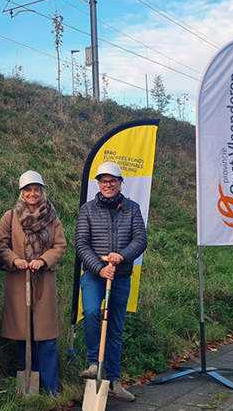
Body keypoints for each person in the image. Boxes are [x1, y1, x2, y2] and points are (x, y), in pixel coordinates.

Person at [74, 161, 147, 402]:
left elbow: (140, 240)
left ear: (120, 183)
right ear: (98, 183)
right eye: (104, 181)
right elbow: (81, 244)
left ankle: (114, 381)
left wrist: (122, 255)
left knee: (115, 327)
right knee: (93, 313)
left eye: (112, 181)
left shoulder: (132, 208)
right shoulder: (87, 209)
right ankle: (94, 363)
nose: (108, 184)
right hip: (95, 276)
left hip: (121, 276)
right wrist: (100, 267)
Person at [0, 170, 67, 396]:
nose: (33, 193)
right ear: (21, 192)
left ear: (42, 191)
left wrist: (43, 260)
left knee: (46, 337)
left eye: (37, 189)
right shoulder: (10, 216)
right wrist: (15, 259)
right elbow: (1, 245)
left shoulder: (52, 217)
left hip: (43, 282)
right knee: (23, 335)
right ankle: (29, 383)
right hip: (18, 282)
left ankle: (50, 388)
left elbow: (59, 246)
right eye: (28, 190)